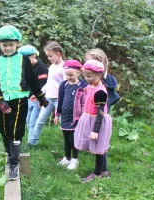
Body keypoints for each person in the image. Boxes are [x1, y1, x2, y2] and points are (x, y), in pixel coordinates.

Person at [0, 25, 49, 181]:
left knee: (16, 130)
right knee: (4, 130)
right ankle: (9, 155)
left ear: (16, 44)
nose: (8, 48)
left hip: (20, 101)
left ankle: (14, 163)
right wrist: (0, 100)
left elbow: (32, 80)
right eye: (4, 45)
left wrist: (40, 96)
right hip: (2, 103)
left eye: (11, 45)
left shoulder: (23, 60)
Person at [74, 60, 112, 183]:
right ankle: (104, 170)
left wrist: (96, 130)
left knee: (99, 149)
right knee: (97, 147)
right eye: (85, 75)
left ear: (99, 75)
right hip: (89, 118)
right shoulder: (91, 86)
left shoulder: (100, 91)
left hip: (98, 121)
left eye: (90, 76)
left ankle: (97, 174)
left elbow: (100, 113)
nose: (87, 78)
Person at [84, 48, 120, 176]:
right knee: (98, 143)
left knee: (100, 143)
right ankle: (102, 170)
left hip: (100, 114)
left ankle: (100, 172)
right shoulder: (91, 80)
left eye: (90, 61)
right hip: (93, 114)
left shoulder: (102, 82)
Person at [26, 41, 66, 148]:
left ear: (58, 54)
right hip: (48, 99)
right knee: (39, 122)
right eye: (47, 56)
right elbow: (49, 83)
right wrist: (39, 94)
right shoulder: (52, 67)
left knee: (63, 124)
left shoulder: (65, 68)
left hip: (59, 99)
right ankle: (32, 143)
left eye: (50, 56)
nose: (48, 58)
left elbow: (66, 86)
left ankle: (70, 143)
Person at [54, 60, 87, 170]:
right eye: (66, 75)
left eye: (71, 75)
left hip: (76, 118)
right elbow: (60, 99)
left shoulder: (83, 86)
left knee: (73, 139)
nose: (68, 77)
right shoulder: (63, 85)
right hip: (65, 116)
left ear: (79, 73)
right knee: (66, 138)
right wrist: (57, 114)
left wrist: (82, 116)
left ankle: (75, 159)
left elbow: (84, 102)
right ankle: (67, 157)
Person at [17, 45, 48, 146]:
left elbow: (43, 85)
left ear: (33, 56)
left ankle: (32, 143)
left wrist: (40, 99)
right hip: (28, 98)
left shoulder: (41, 68)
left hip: (37, 100)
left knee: (34, 122)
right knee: (29, 121)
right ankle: (30, 141)